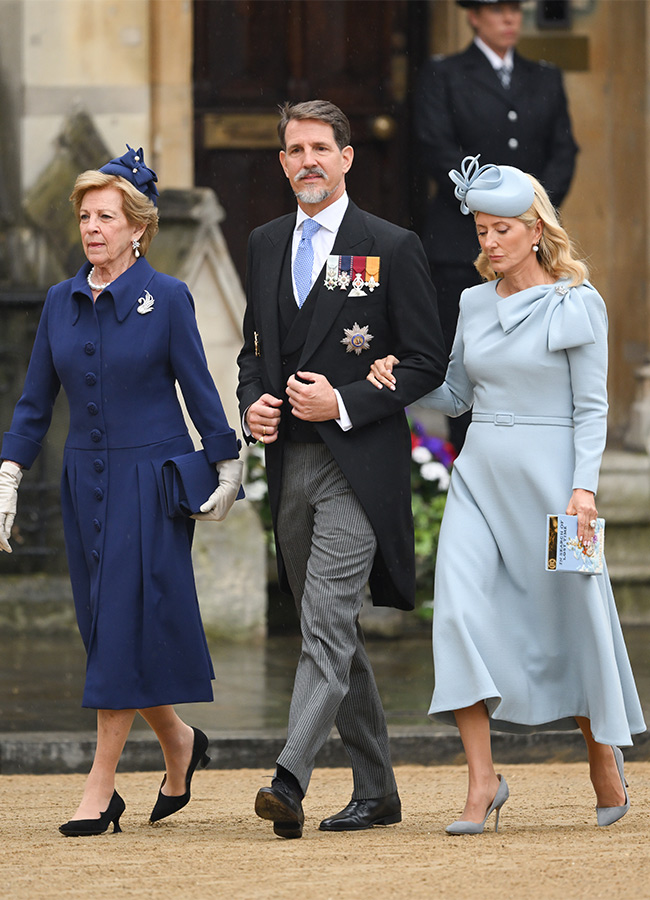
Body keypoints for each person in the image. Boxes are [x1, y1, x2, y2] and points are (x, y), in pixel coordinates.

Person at [367, 155, 646, 833]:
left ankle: (601, 757)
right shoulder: (469, 302)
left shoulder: (577, 302)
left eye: (499, 230)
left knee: (572, 617)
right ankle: (481, 780)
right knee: (457, 613)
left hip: (554, 483)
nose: (486, 242)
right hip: (480, 473)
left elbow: (589, 410)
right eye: (481, 230)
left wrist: (584, 489)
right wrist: (398, 380)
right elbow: (457, 394)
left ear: (535, 231)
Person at [0, 145, 244, 836]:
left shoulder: (166, 297)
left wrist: (228, 465)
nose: (92, 228)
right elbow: (32, 404)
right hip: (86, 482)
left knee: (118, 629)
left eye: (106, 216)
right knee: (108, 629)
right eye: (85, 216)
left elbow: (200, 387)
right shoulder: (59, 301)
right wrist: (8, 474)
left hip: (152, 479)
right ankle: (180, 741)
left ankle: (100, 790)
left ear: (138, 227)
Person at [237, 100, 446, 839]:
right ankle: (379, 791)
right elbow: (252, 354)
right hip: (290, 467)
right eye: (294, 150)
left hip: (362, 467)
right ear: (283, 162)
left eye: (320, 147)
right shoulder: (264, 242)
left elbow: (426, 360)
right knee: (331, 632)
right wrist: (255, 404)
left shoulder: (389, 244)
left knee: (325, 624)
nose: (307, 162)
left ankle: (288, 777)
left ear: (348, 157)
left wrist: (345, 401)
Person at [416, 0, 578, 451]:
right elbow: (436, 149)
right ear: (473, 16)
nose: (510, 19)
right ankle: (469, 467)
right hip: (459, 246)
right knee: (470, 364)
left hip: (534, 246)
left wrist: (529, 215)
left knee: (536, 362)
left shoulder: (545, 76)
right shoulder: (444, 74)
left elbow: (563, 153)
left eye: (514, 10)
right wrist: (497, 214)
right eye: (496, 9)